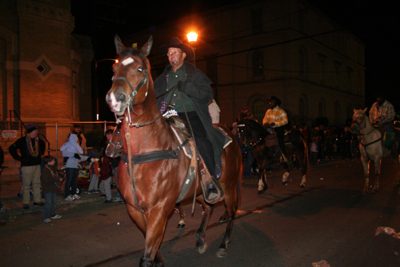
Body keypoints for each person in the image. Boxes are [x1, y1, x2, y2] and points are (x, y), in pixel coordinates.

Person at [154, 37, 225, 202]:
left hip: (190, 115)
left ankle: (209, 179)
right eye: (169, 53)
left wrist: (188, 88)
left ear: (183, 55)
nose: (171, 56)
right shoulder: (162, 78)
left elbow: (208, 95)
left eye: (175, 53)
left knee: (202, 140)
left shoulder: (195, 74)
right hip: (166, 115)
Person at [9, 123, 46, 209]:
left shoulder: (38, 141)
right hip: (27, 166)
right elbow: (11, 148)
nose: (37, 132)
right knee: (26, 185)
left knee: (37, 183)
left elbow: (43, 147)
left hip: (37, 165)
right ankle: (26, 202)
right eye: (35, 130)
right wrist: (20, 158)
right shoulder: (22, 141)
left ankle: (37, 200)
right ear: (31, 132)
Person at [60, 134, 84, 202]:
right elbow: (63, 151)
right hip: (70, 165)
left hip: (75, 164)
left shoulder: (76, 145)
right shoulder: (67, 144)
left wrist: (80, 157)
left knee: (75, 180)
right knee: (69, 180)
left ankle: (74, 193)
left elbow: (80, 152)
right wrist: (72, 154)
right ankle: (67, 195)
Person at [40, 155, 62, 223]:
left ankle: (53, 214)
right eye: (53, 161)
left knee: (53, 203)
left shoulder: (53, 168)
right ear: (49, 162)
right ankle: (46, 216)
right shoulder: (46, 170)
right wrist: (58, 179)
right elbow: (48, 180)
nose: (54, 161)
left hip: (53, 188)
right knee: (48, 203)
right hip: (48, 189)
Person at [99, 129, 113, 203]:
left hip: (107, 167)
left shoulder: (112, 144)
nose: (107, 137)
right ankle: (106, 195)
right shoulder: (109, 144)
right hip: (107, 166)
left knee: (106, 183)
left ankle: (109, 198)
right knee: (104, 183)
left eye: (108, 135)